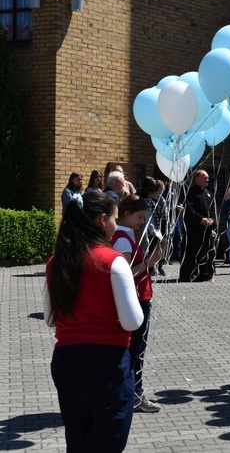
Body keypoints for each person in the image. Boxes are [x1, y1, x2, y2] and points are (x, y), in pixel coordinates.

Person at [44, 191, 144, 451]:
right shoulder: (113, 261)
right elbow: (132, 321)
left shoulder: (57, 261)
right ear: (102, 220)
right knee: (107, 441)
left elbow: (49, 317)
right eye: (113, 218)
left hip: (66, 360)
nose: (115, 224)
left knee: (77, 439)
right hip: (106, 364)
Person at [111, 196, 164, 414]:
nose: (142, 221)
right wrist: (150, 263)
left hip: (138, 297)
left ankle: (131, 393)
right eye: (139, 217)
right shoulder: (123, 239)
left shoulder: (125, 236)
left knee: (135, 349)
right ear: (126, 214)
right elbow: (125, 274)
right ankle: (134, 394)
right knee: (136, 350)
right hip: (136, 300)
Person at [179, 170, 216, 282]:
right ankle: (190, 274)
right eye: (205, 178)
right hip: (194, 228)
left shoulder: (209, 193)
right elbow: (189, 209)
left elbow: (213, 209)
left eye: (208, 178)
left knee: (207, 250)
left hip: (207, 228)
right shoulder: (189, 193)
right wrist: (201, 219)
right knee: (193, 251)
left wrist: (212, 220)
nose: (207, 180)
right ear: (197, 178)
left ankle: (205, 273)